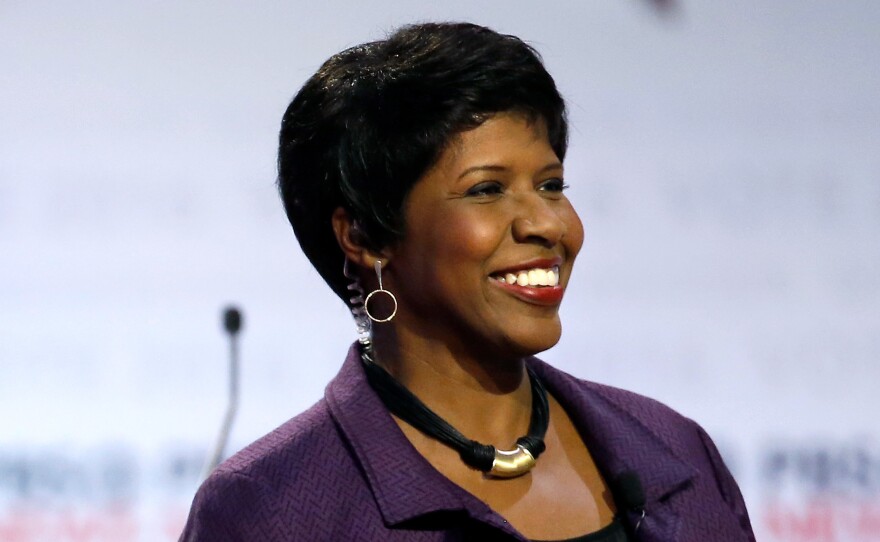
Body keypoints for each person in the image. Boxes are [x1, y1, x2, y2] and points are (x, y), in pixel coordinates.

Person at [179, 22, 755, 541]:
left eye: (552, 185)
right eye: (487, 189)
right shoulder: (270, 511)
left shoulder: (676, 453)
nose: (547, 224)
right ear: (366, 236)